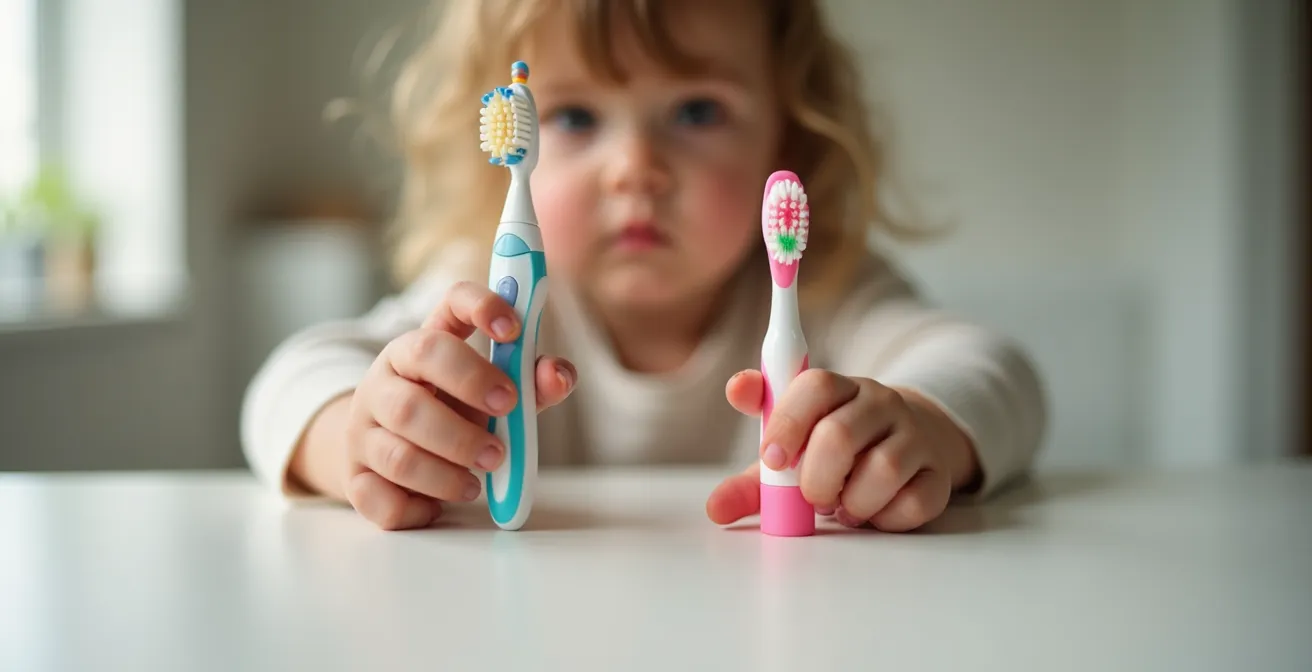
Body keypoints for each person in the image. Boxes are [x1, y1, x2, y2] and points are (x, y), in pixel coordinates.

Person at [240, 0, 1047, 532]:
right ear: (505, 145)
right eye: (575, 117)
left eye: (696, 112)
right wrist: (357, 432)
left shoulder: (824, 287)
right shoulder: (487, 302)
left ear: (787, 142)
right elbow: (288, 378)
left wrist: (924, 429)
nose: (635, 168)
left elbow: (996, 372)